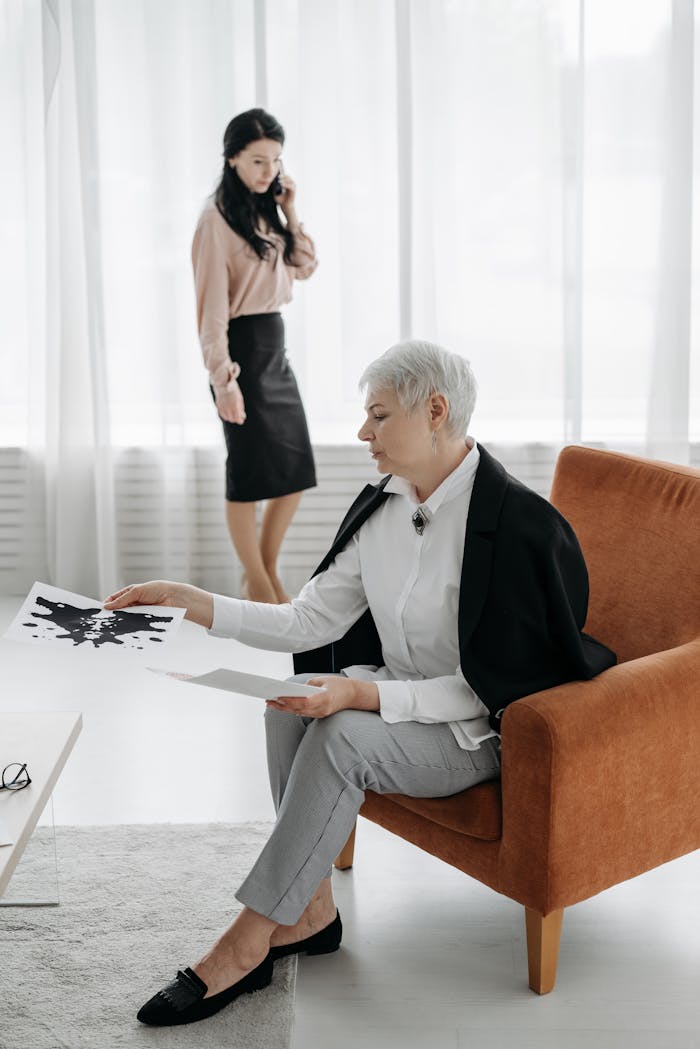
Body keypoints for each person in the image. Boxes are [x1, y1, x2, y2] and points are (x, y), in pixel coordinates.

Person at [104, 340, 616, 1027]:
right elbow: (307, 619)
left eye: (378, 416)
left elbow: (490, 688)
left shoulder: (518, 526)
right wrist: (190, 600)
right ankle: (311, 910)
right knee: (288, 706)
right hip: (404, 699)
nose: (362, 433)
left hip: (476, 730)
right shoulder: (384, 506)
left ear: (435, 412)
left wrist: (360, 695)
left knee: (341, 732)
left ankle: (247, 940)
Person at [192, 108, 318, 604]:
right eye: (258, 161)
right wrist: (223, 381)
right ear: (232, 159)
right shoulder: (215, 220)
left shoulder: (267, 209)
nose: (269, 171)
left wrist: (291, 210)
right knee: (246, 476)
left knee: (294, 472)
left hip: (274, 349)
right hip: (240, 355)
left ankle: (262, 575)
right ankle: (262, 584)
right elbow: (211, 313)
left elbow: (304, 266)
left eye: (276, 160)